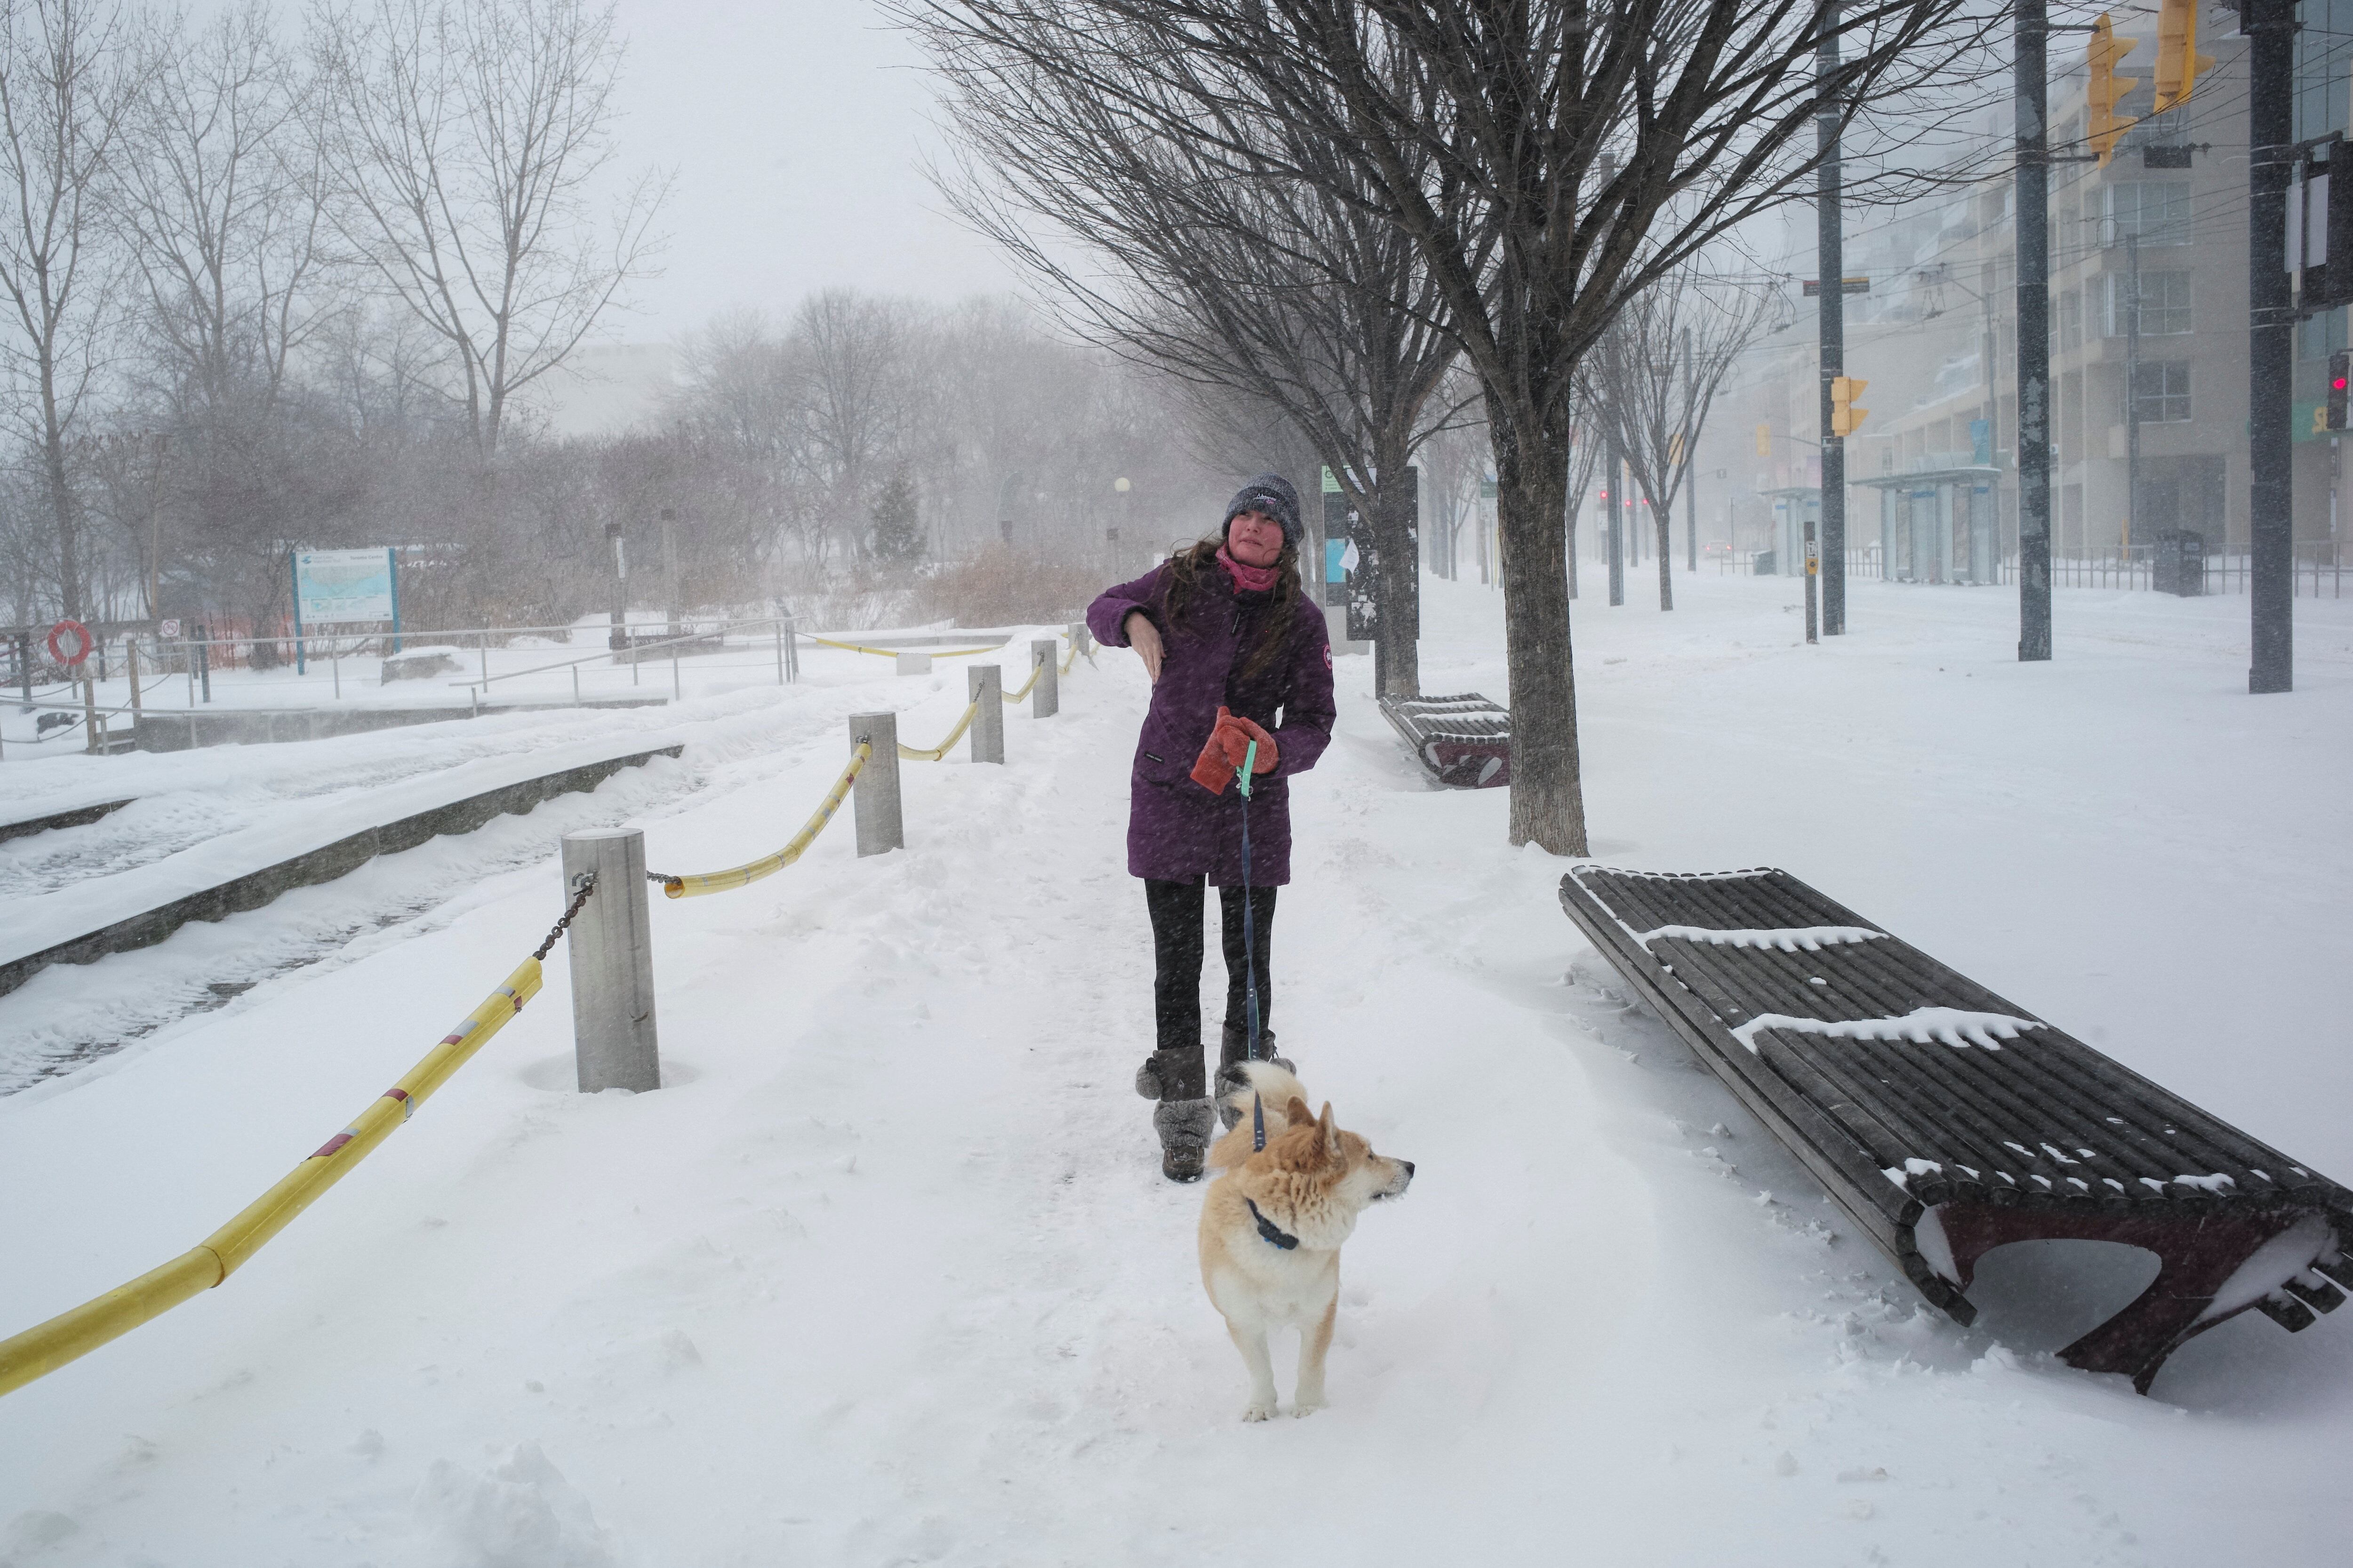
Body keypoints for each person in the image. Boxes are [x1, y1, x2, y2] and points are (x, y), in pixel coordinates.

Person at [1086, 474, 1337, 1181]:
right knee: (1178, 961)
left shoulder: (1301, 620)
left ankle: (1245, 1103)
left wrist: (1277, 750)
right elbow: (1104, 607)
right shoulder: (1178, 583)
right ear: (1229, 524)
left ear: (1286, 541)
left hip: (1252, 806)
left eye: (1270, 520)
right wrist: (1134, 620)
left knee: (1248, 962)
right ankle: (1183, 1116)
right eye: (1246, 515)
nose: (1254, 526)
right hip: (1170, 792)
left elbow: (1317, 723)